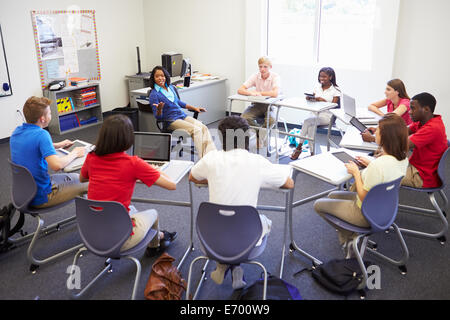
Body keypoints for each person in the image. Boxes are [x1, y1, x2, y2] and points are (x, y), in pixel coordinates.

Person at [189, 115, 294, 289]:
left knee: (230, 224)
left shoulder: (212, 159)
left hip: (210, 238)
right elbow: (289, 183)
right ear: (247, 138)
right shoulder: (257, 162)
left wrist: (214, 178)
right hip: (246, 240)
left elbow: (193, 177)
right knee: (263, 222)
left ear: (222, 138)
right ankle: (234, 266)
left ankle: (224, 265)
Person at [80, 114, 177, 256]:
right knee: (153, 213)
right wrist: (155, 171)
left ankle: (160, 235)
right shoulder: (133, 163)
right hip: (120, 240)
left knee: (130, 208)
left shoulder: (92, 157)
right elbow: (172, 185)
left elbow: (83, 179)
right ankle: (154, 246)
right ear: (128, 138)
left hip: (91, 234)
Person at [314, 113, 409, 258]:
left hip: (365, 213)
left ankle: (350, 237)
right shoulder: (402, 159)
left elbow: (363, 196)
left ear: (386, 137)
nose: (375, 132)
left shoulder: (378, 165)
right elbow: (385, 170)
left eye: (378, 130)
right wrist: (369, 163)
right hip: (385, 208)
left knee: (318, 205)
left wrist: (356, 174)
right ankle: (350, 238)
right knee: (332, 195)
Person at [10, 96, 88, 208]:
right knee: (89, 182)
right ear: (43, 119)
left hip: (24, 192)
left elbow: (31, 145)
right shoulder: (42, 135)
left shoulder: (17, 132)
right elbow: (56, 166)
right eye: (50, 113)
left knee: (77, 177)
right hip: (41, 196)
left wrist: (57, 145)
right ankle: (91, 217)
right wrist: (75, 153)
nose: (51, 115)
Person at [148, 66, 216, 158]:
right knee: (196, 130)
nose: (160, 78)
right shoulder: (154, 94)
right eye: (157, 76)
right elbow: (158, 117)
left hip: (181, 116)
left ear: (166, 76)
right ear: (153, 78)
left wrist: (194, 108)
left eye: (162, 75)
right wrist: (159, 109)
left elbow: (179, 103)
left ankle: (212, 155)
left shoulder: (171, 87)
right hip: (170, 120)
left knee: (203, 128)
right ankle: (204, 159)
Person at [290, 67, 341, 160]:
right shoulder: (317, 87)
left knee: (307, 122)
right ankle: (312, 153)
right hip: (315, 114)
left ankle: (299, 147)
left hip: (327, 116)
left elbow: (334, 106)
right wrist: (310, 98)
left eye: (324, 77)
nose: (322, 78)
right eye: (320, 76)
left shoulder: (336, 90)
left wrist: (322, 100)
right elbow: (313, 100)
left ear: (330, 77)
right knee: (310, 125)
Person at [401, 92, 448, 188]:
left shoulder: (432, 128)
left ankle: (378, 202)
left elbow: (402, 144)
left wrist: (374, 138)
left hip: (422, 176)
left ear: (426, 109)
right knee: (376, 166)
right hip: (416, 167)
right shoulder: (422, 121)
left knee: (380, 174)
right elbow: (401, 132)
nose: (409, 112)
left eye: (413, 108)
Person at [238, 56, 281, 148]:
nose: (262, 69)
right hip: (257, 105)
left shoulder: (275, 77)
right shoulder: (255, 76)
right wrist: (250, 92)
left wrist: (259, 93)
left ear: (270, 67)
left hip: (271, 105)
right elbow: (240, 90)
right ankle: (260, 135)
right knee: (244, 118)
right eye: (260, 66)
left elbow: (275, 93)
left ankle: (260, 138)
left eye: (265, 67)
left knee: (271, 120)